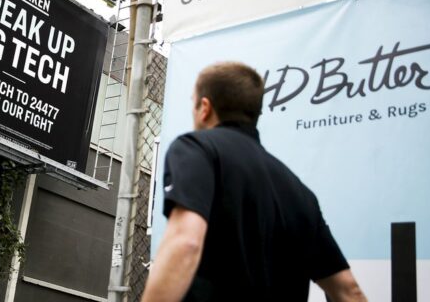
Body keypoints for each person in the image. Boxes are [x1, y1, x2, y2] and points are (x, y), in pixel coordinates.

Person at [142, 62, 367, 302]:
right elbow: (348, 290)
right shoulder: (300, 193)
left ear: (204, 108)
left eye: (193, 102)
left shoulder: (196, 148)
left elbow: (185, 243)